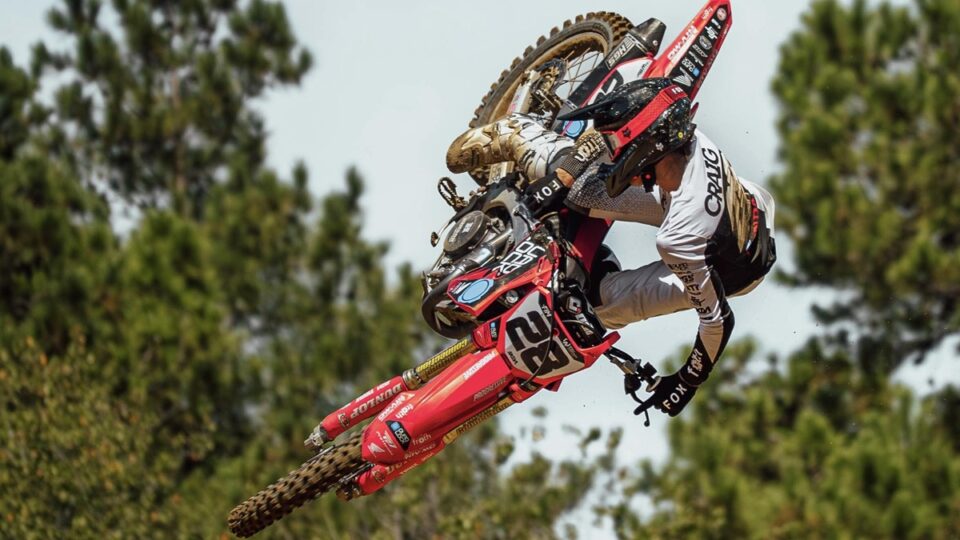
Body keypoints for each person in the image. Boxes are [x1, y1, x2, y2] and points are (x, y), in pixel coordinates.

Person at [445, 77, 777, 416]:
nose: (613, 153)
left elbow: (717, 320)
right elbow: (604, 141)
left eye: (621, 148)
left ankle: (585, 257)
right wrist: (560, 179)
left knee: (599, 306)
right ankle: (517, 131)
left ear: (648, 147)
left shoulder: (678, 237)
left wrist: (686, 381)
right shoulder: (681, 137)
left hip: (727, 266)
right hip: (744, 218)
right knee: (577, 188)